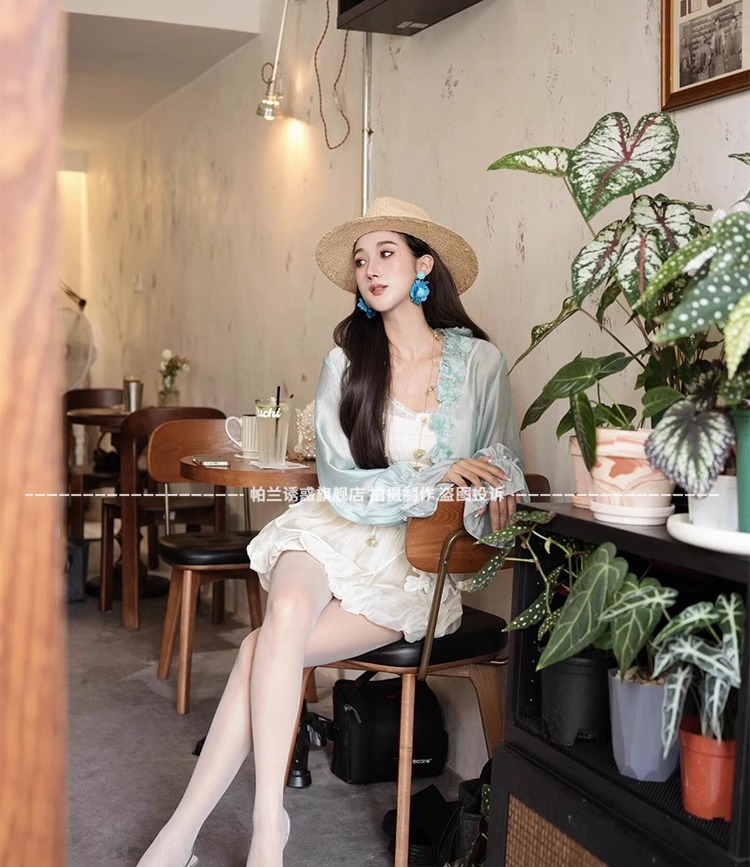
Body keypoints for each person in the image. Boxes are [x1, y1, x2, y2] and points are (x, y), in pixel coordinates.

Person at [136, 197, 524, 867]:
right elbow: (341, 482)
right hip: (333, 530)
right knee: (286, 610)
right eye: (360, 258)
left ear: (423, 265)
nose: (370, 268)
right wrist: (435, 476)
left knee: (260, 647)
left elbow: (504, 460)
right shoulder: (345, 363)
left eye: (386, 253)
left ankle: (183, 836)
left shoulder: (479, 363)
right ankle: (267, 825)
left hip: (410, 565)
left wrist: (489, 485)